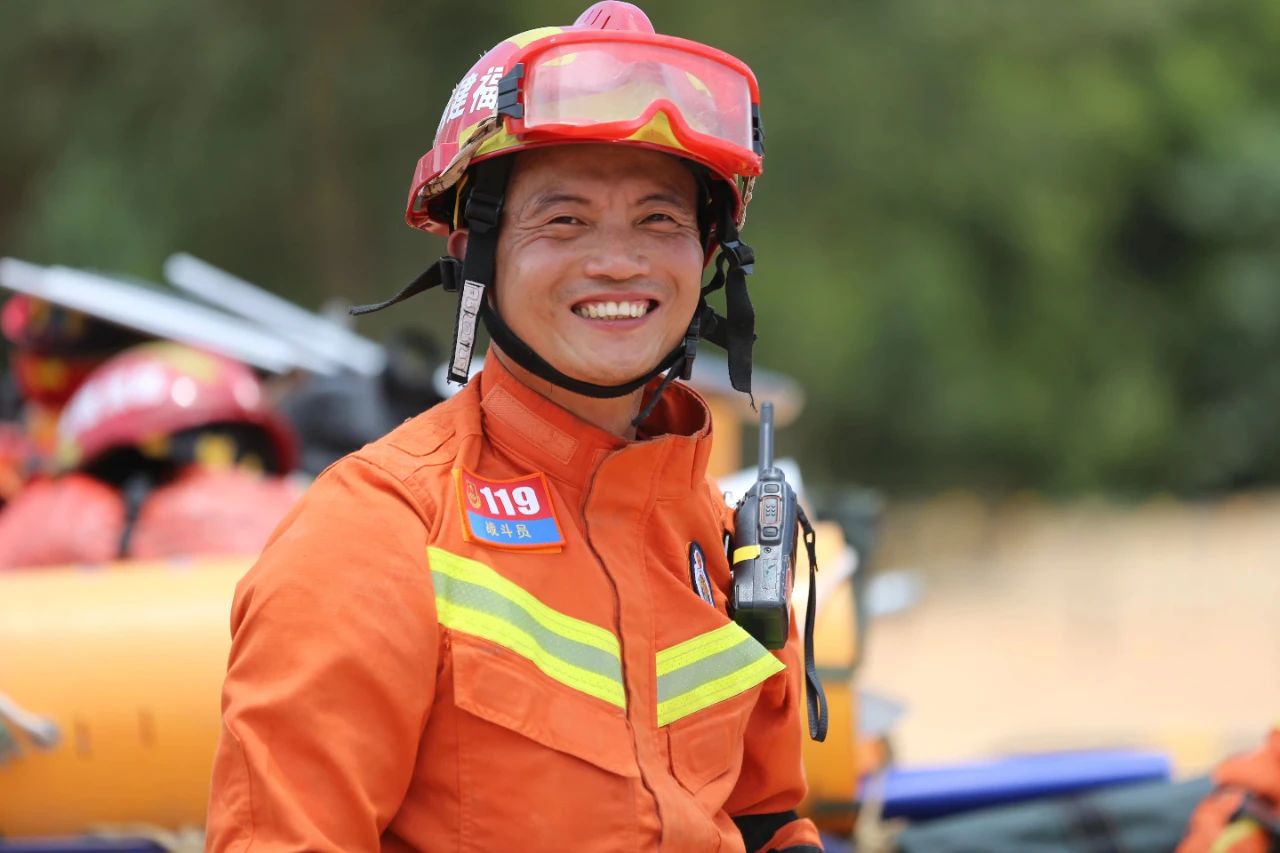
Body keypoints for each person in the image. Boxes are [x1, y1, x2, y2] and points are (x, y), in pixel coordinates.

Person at [206, 3, 823, 851]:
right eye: (564, 220)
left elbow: (768, 820)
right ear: (477, 252)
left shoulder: (722, 547)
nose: (619, 261)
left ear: (710, 256)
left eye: (660, 219)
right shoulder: (376, 534)